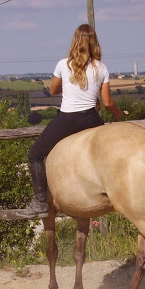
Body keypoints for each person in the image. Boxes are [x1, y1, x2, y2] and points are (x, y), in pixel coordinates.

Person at [18, 24, 124, 217]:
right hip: (92, 119)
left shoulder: (63, 64)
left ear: (75, 41)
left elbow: (53, 90)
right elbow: (107, 103)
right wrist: (118, 115)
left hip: (67, 120)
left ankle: (40, 202)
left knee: (35, 155)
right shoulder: (101, 68)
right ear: (94, 43)